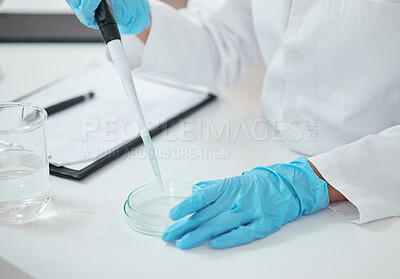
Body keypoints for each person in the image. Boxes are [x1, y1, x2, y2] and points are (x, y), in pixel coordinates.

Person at [67, 0, 400, 249]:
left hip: (379, 199)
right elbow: (221, 39)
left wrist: (309, 182)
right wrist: (139, 21)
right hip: (268, 157)